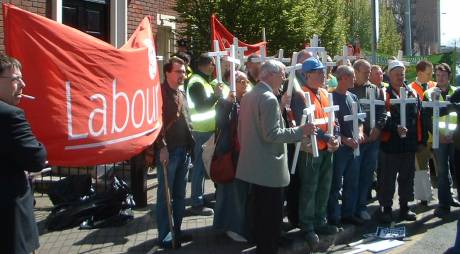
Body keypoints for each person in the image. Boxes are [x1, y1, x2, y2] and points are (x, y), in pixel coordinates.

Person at [236, 60, 315, 254]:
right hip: (269, 168)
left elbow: (246, 129)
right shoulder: (268, 98)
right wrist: (300, 130)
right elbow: (272, 134)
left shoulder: (250, 95)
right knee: (270, 218)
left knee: (259, 214)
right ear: (270, 75)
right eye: (281, 74)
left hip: (253, 165)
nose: (284, 78)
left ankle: (263, 247)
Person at [0, 54, 47, 254]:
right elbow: (36, 158)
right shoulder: (10, 116)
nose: (23, 84)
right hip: (9, 224)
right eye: (15, 79)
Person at [297, 57, 340, 247]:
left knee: (324, 186)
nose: (324, 75)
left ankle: (320, 221)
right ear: (307, 75)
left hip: (326, 148)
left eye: (323, 71)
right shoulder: (300, 95)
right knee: (310, 187)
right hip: (310, 150)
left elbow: (333, 119)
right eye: (319, 72)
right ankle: (307, 226)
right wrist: (327, 138)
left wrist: (335, 135)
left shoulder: (324, 92)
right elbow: (306, 124)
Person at [154, 57, 195, 249]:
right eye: (179, 72)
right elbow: (155, 124)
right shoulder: (158, 94)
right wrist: (161, 147)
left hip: (183, 151)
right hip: (168, 152)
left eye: (184, 72)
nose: (183, 75)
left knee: (179, 195)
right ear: (167, 72)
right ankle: (165, 235)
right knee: (165, 197)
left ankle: (176, 230)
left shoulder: (181, 92)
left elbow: (187, 120)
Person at [378, 60, 426, 223]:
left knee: (407, 177)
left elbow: (420, 117)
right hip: (390, 143)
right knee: (387, 178)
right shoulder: (384, 93)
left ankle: (405, 207)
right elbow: (381, 117)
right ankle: (386, 208)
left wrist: (421, 140)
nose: (400, 77)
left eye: (402, 74)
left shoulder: (412, 92)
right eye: (397, 74)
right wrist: (394, 127)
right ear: (389, 76)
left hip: (409, 143)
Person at [213, 71, 250, 242]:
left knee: (240, 191)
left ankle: (237, 225)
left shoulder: (248, 100)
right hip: (229, 152)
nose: (244, 84)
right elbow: (220, 123)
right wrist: (228, 102)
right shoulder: (226, 102)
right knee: (228, 190)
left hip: (243, 152)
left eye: (245, 80)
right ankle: (227, 227)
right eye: (240, 81)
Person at [349, 59, 387, 222]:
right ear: (355, 71)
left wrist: (378, 129)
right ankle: (350, 210)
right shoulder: (350, 89)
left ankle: (362, 207)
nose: (368, 75)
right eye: (365, 72)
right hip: (355, 141)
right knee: (352, 176)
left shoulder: (376, 90)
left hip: (372, 140)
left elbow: (383, 112)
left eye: (370, 71)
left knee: (366, 175)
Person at [186, 54, 223, 216]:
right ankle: (196, 202)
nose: (214, 68)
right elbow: (202, 107)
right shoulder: (196, 83)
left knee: (203, 166)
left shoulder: (202, 81)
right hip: (201, 130)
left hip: (207, 129)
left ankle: (199, 199)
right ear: (206, 64)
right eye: (213, 65)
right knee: (199, 168)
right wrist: (216, 95)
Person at [327, 65, 364, 226]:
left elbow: (360, 119)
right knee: (336, 184)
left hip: (354, 147)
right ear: (342, 78)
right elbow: (331, 126)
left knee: (352, 181)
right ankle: (333, 217)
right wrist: (344, 139)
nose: (354, 79)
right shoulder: (331, 98)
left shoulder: (353, 97)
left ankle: (348, 214)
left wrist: (361, 133)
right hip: (340, 148)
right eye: (351, 76)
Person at [425, 63, 459, 218]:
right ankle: (443, 203)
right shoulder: (429, 93)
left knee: (456, 170)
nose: (440, 78)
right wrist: (438, 134)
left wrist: (454, 134)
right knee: (442, 171)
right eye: (437, 75)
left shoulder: (456, 92)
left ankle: (451, 197)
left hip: (455, 137)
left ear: (449, 76)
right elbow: (426, 118)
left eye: (443, 75)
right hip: (439, 138)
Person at [410, 60, 437, 206]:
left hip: (437, 133)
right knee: (421, 167)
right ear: (420, 73)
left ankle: (448, 194)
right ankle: (425, 196)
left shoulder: (434, 86)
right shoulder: (410, 89)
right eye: (428, 73)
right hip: (421, 134)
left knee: (442, 166)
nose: (431, 75)